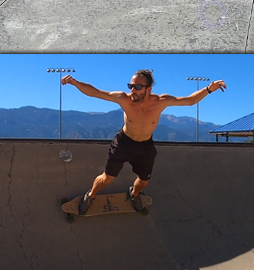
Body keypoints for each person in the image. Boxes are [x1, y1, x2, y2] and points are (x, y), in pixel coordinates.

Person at [62, 69, 226, 213]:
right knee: (108, 178)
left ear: (149, 89)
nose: (132, 90)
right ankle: (90, 196)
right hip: (123, 142)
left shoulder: (161, 101)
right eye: (131, 86)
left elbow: (190, 101)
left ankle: (134, 194)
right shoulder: (124, 99)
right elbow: (95, 93)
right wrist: (75, 83)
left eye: (137, 87)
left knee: (144, 181)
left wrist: (208, 89)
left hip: (145, 146)